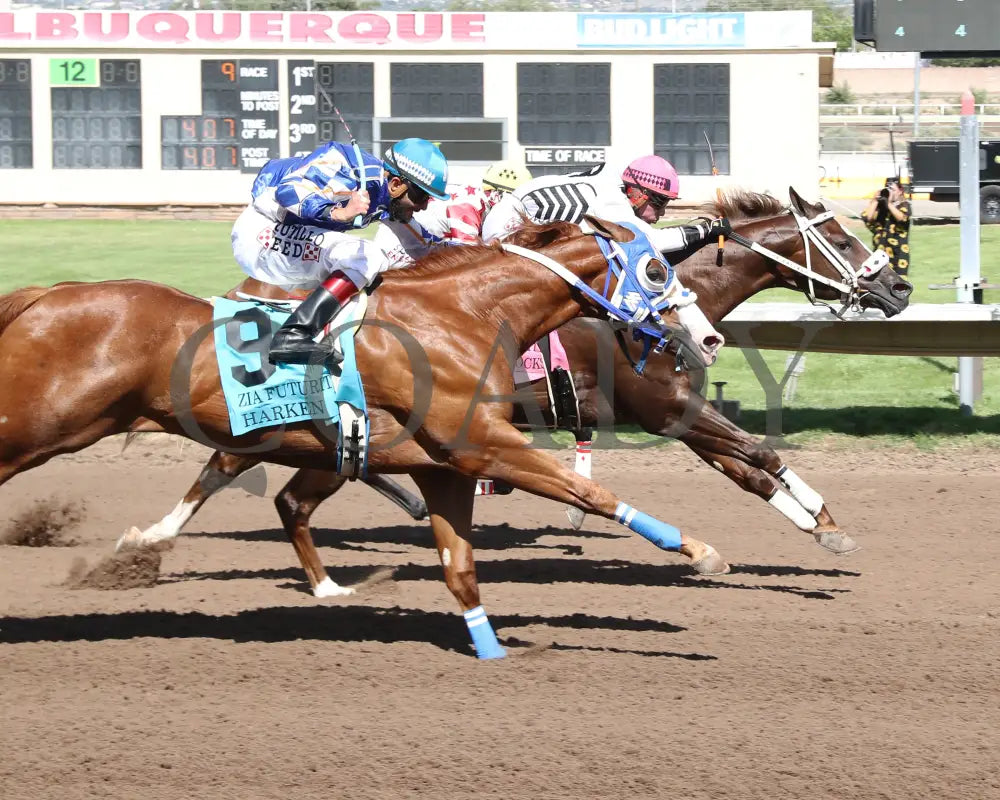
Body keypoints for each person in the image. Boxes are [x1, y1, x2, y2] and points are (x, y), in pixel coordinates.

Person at [230, 137, 450, 364]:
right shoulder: (344, 164)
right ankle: (292, 336)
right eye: (422, 195)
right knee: (365, 255)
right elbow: (288, 192)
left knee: (386, 262)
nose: (424, 205)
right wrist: (339, 213)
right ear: (395, 184)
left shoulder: (386, 198)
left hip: (287, 240)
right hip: (261, 235)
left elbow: (424, 246)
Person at [479, 155, 732, 258]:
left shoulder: (610, 187)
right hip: (505, 230)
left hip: (517, 222)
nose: (662, 213)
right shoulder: (612, 201)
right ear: (638, 194)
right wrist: (707, 230)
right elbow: (654, 241)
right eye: (659, 203)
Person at [374, 159, 533, 269]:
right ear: (498, 195)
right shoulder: (469, 206)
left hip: (417, 245)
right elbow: (467, 258)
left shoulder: (479, 202)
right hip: (400, 249)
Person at [861, 177, 912, 277]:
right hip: (879, 254)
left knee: (898, 286)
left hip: (898, 255)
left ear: (900, 191)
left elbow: (902, 218)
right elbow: (867, 217)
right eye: (887, 189)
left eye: (892, 190)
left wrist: (888, 204)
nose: (889, 192)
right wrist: (875, 200)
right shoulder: (880, 207)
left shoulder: (904, 205)